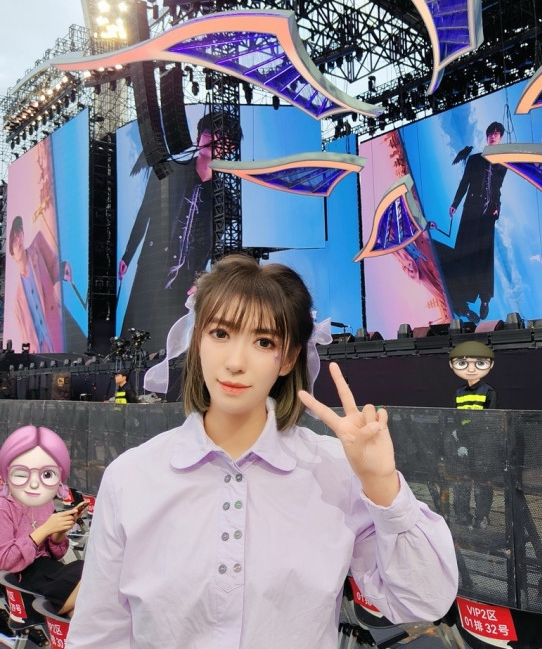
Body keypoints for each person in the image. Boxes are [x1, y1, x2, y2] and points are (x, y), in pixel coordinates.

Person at [67, 253, 459, 649]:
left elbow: (423, 601)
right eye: (220, 333)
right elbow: (99, 634)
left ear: (288, 359)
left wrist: (383, 485)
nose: (236, 362)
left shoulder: (334, 471)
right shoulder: (132, 477)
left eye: (264, 341)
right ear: (196, 340)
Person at [118, 111, 242, 350]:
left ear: (230, 148)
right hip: (154, 263)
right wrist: (128, 255)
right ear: (199, 135)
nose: (213, 140)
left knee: (168, 336)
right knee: (136, 324)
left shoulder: (225, 198)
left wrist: (201, 280)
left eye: (222, 136)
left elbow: (215, 247)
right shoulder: (170, 171)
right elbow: (145, 212)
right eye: (209, 132)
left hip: (186, 276)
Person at [0, 426, 88, 616]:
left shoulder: (44, 503)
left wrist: (58, 532)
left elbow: (55, 553)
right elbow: (4, 561)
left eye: (46, 474)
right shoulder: (4, 506)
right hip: (21, 579)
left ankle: (60, 615)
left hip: (50, 571)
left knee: (92, 577)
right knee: (89, 574)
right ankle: (53, 613)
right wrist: (44, 530)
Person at [442, 122, 507, 321]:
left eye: (497, 133)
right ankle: (462, 301)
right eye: (491, 133)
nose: (493, 136)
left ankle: (485, 298)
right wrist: (455, 203)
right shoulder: (474, 159)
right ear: (487, 137)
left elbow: (497, 189)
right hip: (471, 211)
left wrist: (497, 207)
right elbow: (464, 183)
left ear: (500, 137)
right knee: (464, 254)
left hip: (488, 215)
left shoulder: (502, 164)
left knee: (484, 257)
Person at [440, 341, 498, 528]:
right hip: (463, 441)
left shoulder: (488, 391)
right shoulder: (459, 392)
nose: (471, 369)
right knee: (462, 480)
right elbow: (455, 417)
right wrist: (458, 439)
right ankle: (462, 516)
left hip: (482, 442)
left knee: (482, 481)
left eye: (479, 363)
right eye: (463, 363)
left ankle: (482, 517)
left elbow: (491, 418)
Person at [7, 216, 72, 353]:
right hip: (42, 352)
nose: (18, 240)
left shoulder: (38, 246)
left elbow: (54, 267)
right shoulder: (17, 303)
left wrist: (63, 267)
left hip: (57, 331)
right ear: (12, 255)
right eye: (13, 240)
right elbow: (26, 337)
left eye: (18, 233)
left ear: (23, 234)